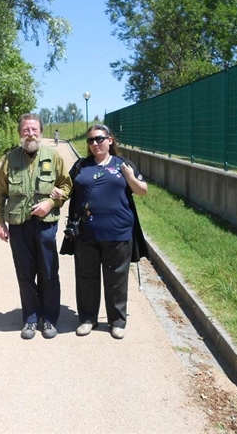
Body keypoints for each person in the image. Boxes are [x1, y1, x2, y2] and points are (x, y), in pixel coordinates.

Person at [0, 114, 72, 340]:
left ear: (41, 132)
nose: (30, 134)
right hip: (18, 225)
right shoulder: (10, 159)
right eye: (26, 130)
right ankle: (31, 318)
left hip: (46, 225)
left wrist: (52, 202)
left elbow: (66, 185)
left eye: (34, 129)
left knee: (48, 272)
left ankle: (49, 319)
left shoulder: (53, 156)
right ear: (20, 133)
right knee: (25, 273)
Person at [63, 124, 148, 340]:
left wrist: (129, 177)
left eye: (99, 139)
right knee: (86, 278)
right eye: (90, 140)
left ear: (110, 140)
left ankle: (117, 321)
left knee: (116, 279)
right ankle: (87, 319)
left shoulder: (123, 164)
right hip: (86, 233)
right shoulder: (81, 166)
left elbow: (142, 190)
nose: (95, 144)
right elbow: (67, 189)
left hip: (118, 233)